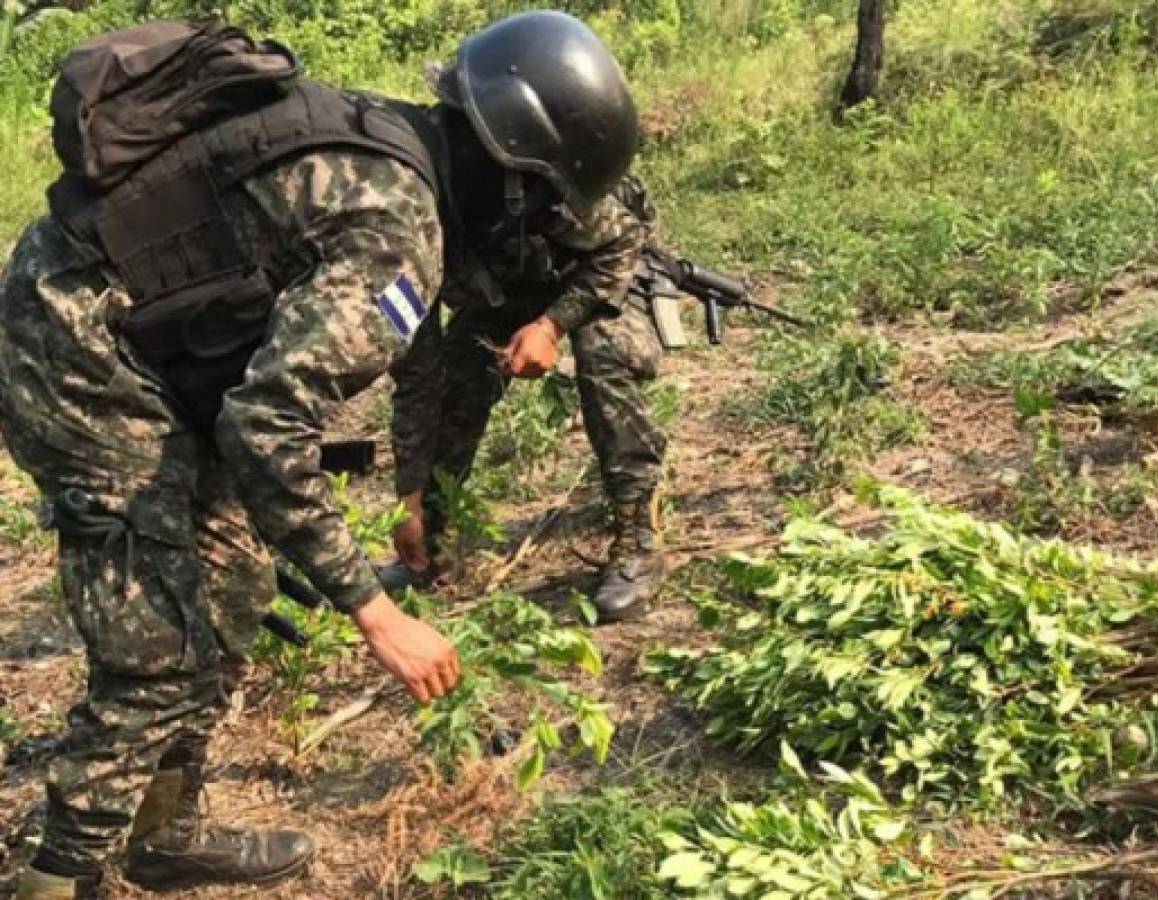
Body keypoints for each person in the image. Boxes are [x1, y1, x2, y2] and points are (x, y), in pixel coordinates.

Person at [2, 11, 638, 898]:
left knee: (230, 591)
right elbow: (266, 427)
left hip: (144, 340)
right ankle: (53, 877)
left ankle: (163, 836)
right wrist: (378, 613)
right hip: (75, 352)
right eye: (547, 207)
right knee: (157, 653)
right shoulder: (398, 227)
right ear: (513, 179)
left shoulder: (398, 143)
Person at [389, 168, 669, 624]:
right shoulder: (394, 246)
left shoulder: (529, 180)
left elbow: (620, 244)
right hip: (502, 293)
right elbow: (413, 370)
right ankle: (426, 545)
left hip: (594, 276)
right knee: (451, 376)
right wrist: (409, 496)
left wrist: (551, 325)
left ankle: (639, 535)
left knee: (604, 353)